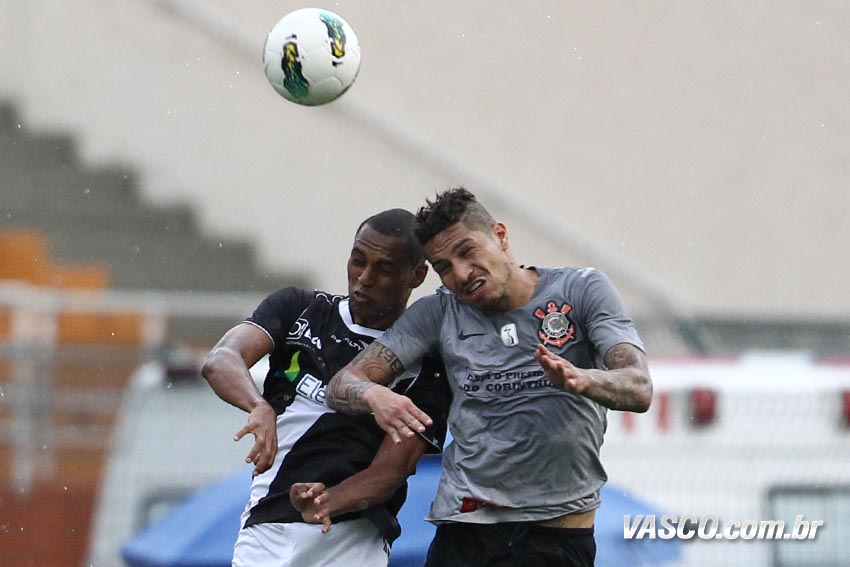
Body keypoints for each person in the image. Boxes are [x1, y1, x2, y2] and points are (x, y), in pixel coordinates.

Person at [326, 188, 653, 567]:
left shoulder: (580, 290)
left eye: (467, 251)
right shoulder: (439, 313)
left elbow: (639, 387)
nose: (461, 274)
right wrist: (374, 395)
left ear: (500, 235)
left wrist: (584, 381)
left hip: (556, 537)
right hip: (465, 534)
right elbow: (342, 383)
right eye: (444, 266)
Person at [201, 208, 451, 567]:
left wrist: (325, 502)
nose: (364, 278)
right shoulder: (300, 309)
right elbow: (222, 358)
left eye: (383, 269)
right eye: (357, 261)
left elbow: (389, 473)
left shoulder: (427, 365)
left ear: (417, 275)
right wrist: (258, 405)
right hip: (266, 529)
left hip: (352, 540)